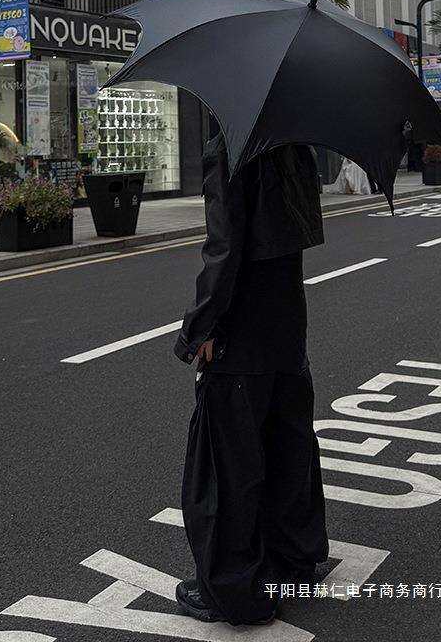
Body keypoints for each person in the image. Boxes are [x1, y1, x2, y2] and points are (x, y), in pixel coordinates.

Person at [173, 132, 329, 626]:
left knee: (229, 465)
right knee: (288, 447)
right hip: (287, 326)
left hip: (242, 333)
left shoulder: (229, 146)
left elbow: (224, 248)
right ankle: (294, 564)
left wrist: (201, 327)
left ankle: (235, 590)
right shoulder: (295, 147)